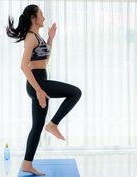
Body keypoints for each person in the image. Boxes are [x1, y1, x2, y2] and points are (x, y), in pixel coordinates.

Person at [6, 4, 82, 176]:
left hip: (41, 81)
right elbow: (24, 66)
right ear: (33, 17)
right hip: (37, 83)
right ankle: (53, 124)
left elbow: (44, 60)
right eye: (41, 14)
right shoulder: (31, 37)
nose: (44, 17)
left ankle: (27, 164)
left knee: (37, 126)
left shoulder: (37, 36)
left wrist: (50, 38)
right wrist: (39, 90)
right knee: (76, 92)